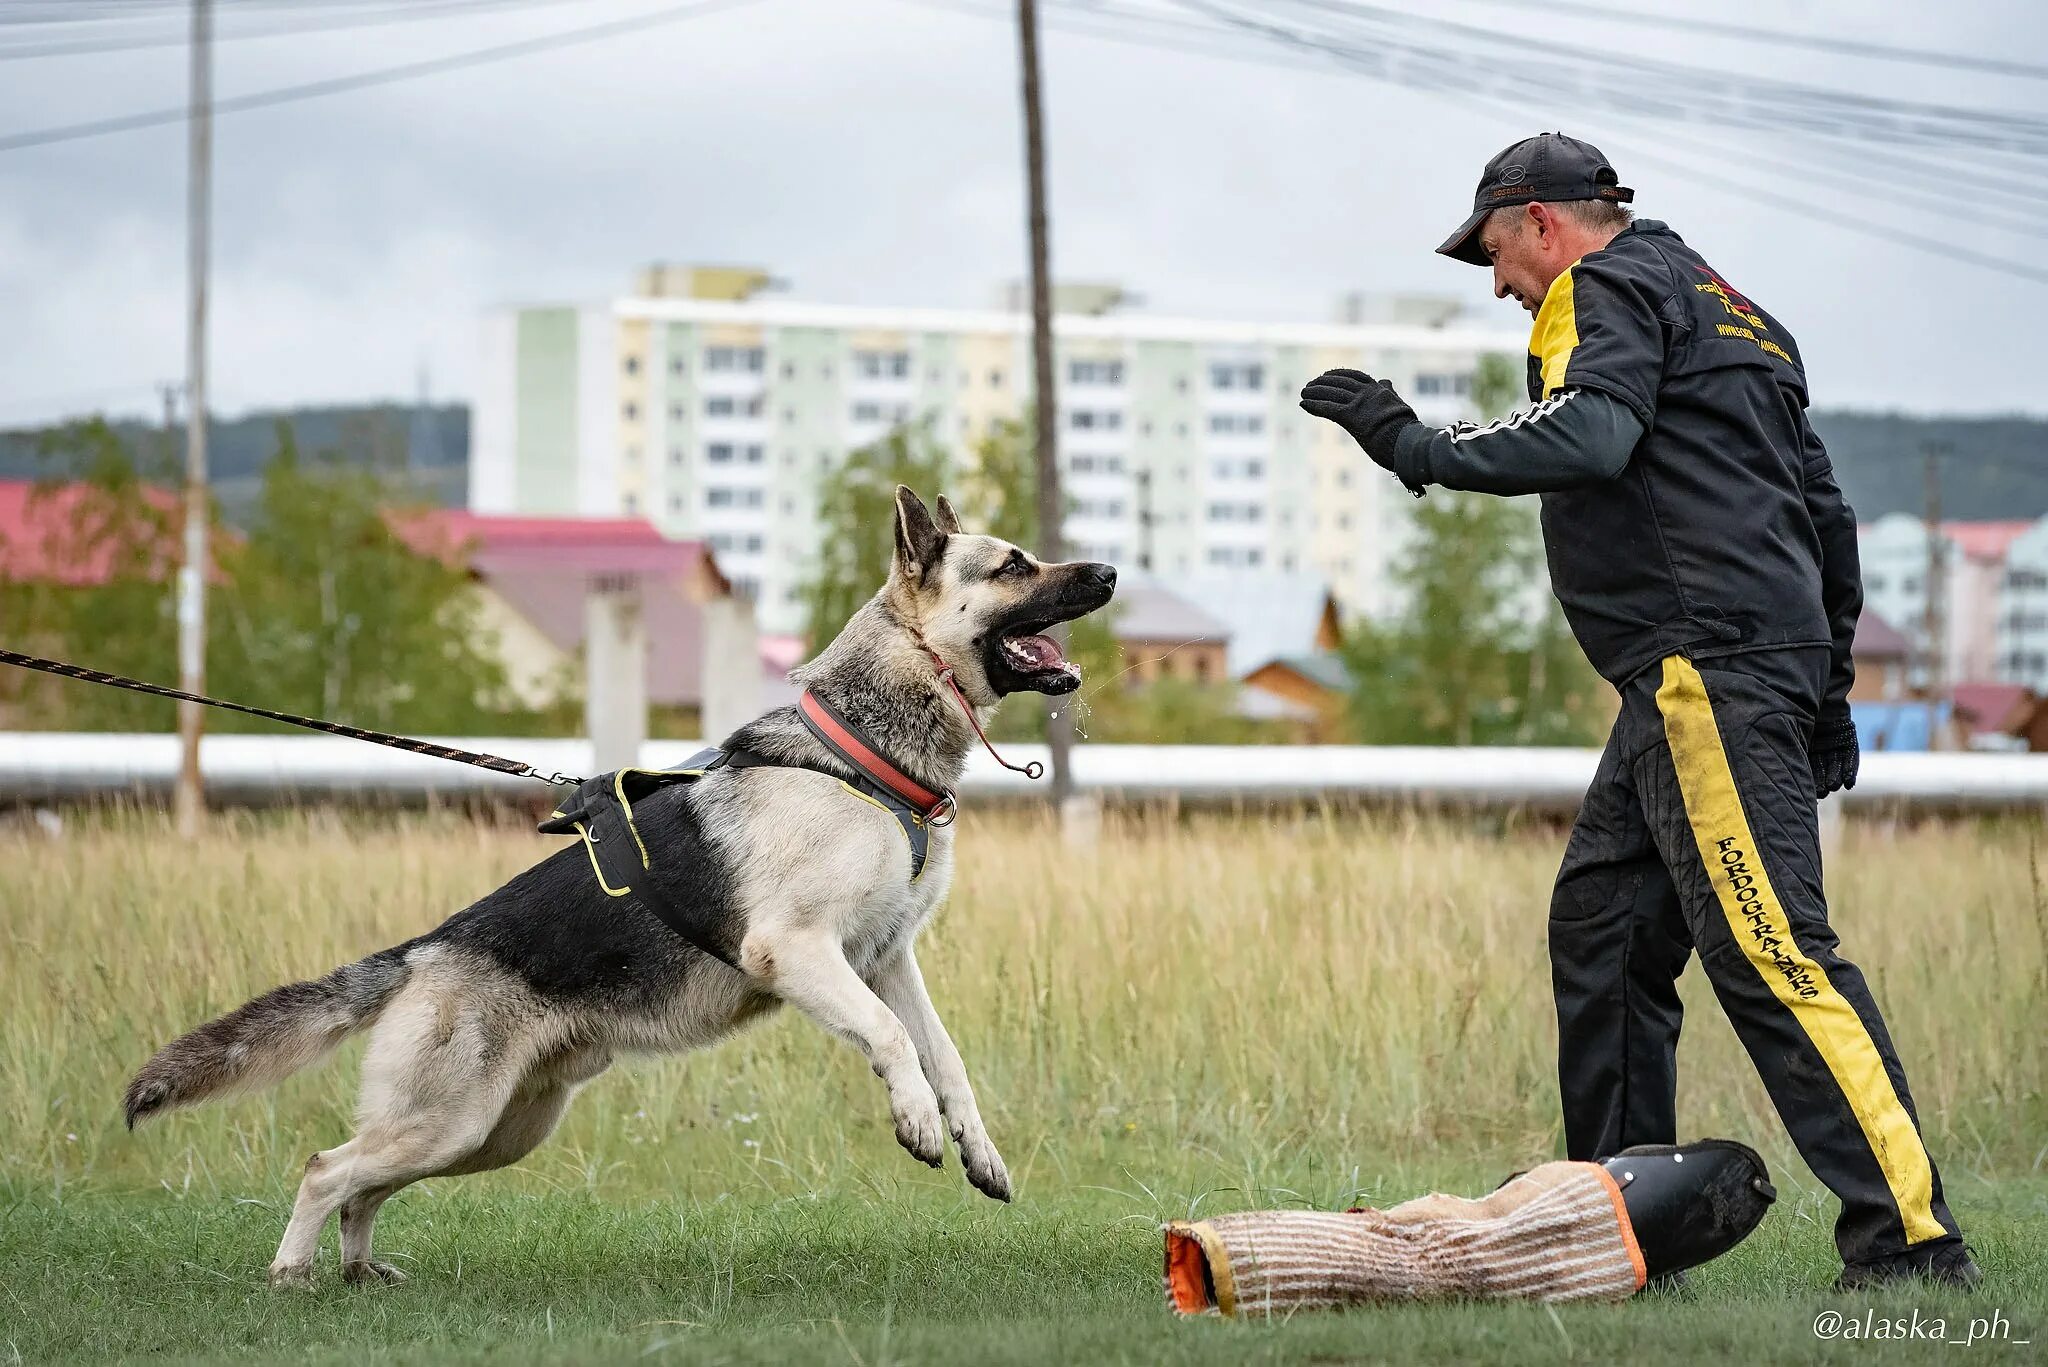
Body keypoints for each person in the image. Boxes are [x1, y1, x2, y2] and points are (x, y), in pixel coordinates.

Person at [1298, 132, 1975, 1289]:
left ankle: (1908, 1241)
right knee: (1603, 928)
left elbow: (1592, 433)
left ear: (1543, 223)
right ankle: (1612, 1234)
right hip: (1713, 671)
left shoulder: (1594, 288)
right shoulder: (1733, 309)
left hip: (1698, 667)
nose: (1501, 284)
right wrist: (1827, 686)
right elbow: (1824, 511)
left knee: (1771, 951)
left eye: (1498, 255)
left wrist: (1412, 442)